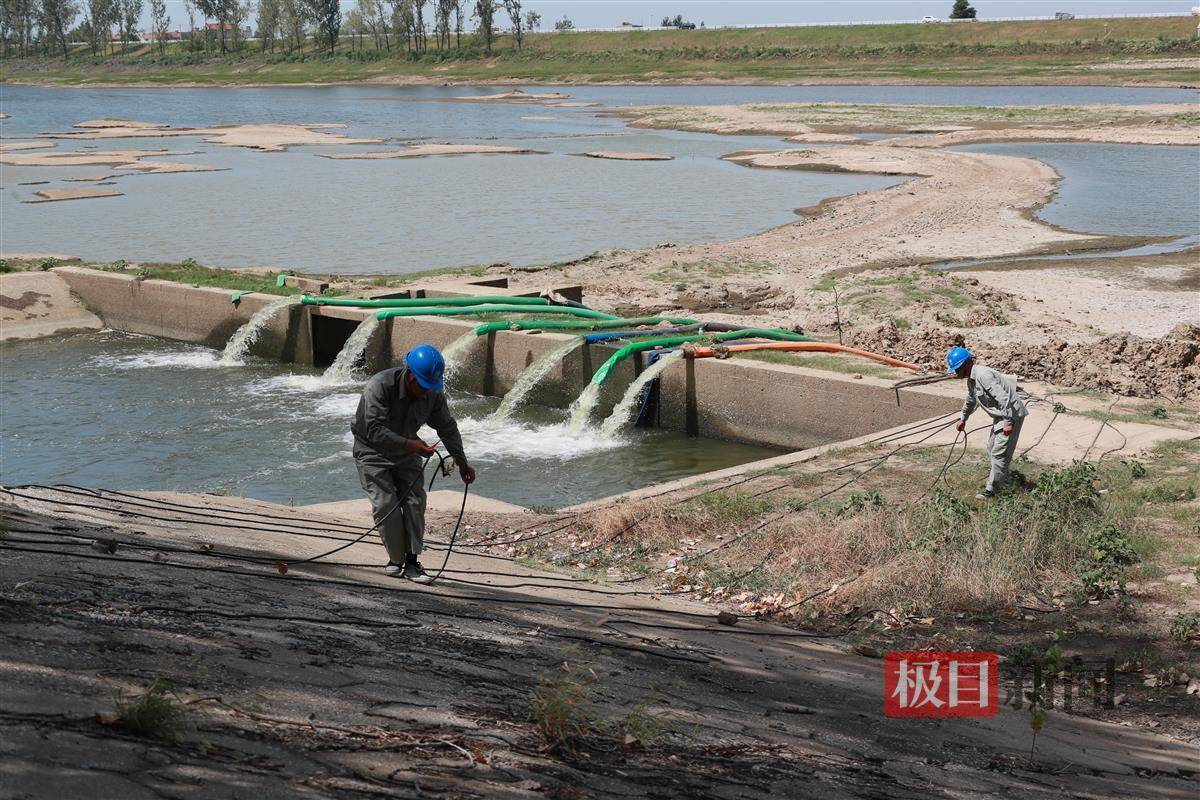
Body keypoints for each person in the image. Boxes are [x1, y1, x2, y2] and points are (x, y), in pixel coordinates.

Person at [351, 344, 476, 582]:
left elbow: (447, 427)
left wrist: (462, 462)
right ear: (410, 376)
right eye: (423, 386)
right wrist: (412, 445)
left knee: (415, 501)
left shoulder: (432, 394)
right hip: (372, 450)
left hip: (407, 449)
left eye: (431, 387)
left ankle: (411, 561)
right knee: (385, 504)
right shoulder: (379, 386)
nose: (426, 392)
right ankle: (396, 558)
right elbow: (374, 430)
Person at [947, 346, 1027, 500]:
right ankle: (1007, 481)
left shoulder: (983, 376)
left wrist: (1008, 422)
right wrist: (963, 418)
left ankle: (992, 491)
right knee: (992, 448)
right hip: (1002, 416)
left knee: (999, 453)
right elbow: (971, 400)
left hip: (1011, 414)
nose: (956, 373)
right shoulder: (972, 379)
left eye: (957, 369)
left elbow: (1004, 399)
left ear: (966, 365)